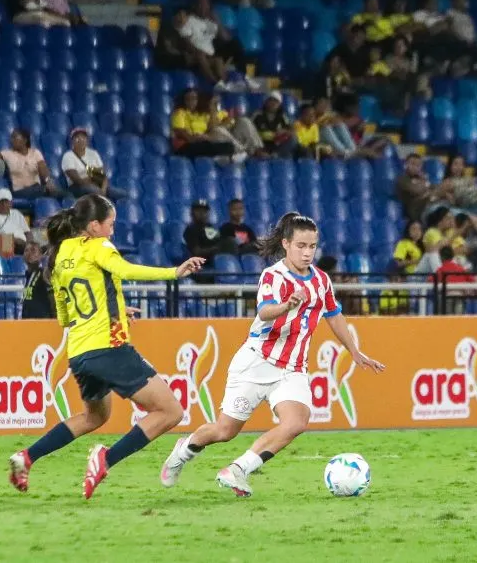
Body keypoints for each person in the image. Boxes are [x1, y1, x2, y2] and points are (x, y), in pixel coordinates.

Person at [159, 212, 385, 497]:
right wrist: (287, 306)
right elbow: (264, 312)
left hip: (292, 368)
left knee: (296, 423)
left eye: (312, 246)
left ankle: (238, 470)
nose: (307, 252)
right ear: (286, 244)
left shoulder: (321, 281)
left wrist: (355, 351)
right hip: (256, 363)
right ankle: (183, 450)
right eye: (301, 246)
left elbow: (334, 315)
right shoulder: (273, 276)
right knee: (225, 431)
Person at [7, 195, 205, 499]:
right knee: (170, 411)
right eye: (110, 224)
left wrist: (112, 310)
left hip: (80, 353)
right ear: (93, 226)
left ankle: (27, 457)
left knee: (95, 417)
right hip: (109, 347)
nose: (113, 231)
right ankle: (106, 459)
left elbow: (64, 317)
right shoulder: (98, 246)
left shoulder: (60, 255)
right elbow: (125, 270)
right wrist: (173, 272)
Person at [61, 127, 126, 200]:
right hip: (77, 188)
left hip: (98, 185)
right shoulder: (68, 156)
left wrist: (103, 190)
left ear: (87, 141)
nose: (81, 140)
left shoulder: (93, 153)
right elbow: (78, 180)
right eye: (77, 138)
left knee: (122, 194)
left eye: (83, 138)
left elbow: (103, 175)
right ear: (72, 141)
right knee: (93, 190)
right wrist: (94, 177)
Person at [0, 128, 60, 199]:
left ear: (25, 140)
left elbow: (43, 167)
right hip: (20, 191)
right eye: (11, 138)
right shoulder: (7, 153)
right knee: (46, 191)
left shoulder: (35, 152)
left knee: (66, 195)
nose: (11, 140)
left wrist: (48, 181)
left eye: (14, 137)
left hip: (36, 188)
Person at [0, 189, 30, 253]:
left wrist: (29, 244)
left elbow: (27, 232)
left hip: (24, 247)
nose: (4, 204)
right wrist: (14, 240)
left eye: (6, 201)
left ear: (11, 203)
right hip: (6, 249)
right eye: (1, 202)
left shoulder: (17, 213)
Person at [252, 92, 296, 157]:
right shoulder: (257, 115)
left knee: (293, 139)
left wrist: (284, 131)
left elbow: (292, 131)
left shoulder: (283, 116)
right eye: (270, 100)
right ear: (265, 102)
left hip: (276, 145)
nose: (273, 103)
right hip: (261, 144)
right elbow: (250, 131)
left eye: (276, 101)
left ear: (279, 104)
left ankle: (275, 155)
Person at [20, 243, 54, 319]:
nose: (29, 253)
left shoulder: (44, 273)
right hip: (28, 322)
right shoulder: (27, 276)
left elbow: (52, 297)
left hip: (43, 322)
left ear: (40, 255)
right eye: (26, 250)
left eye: (33, 250)